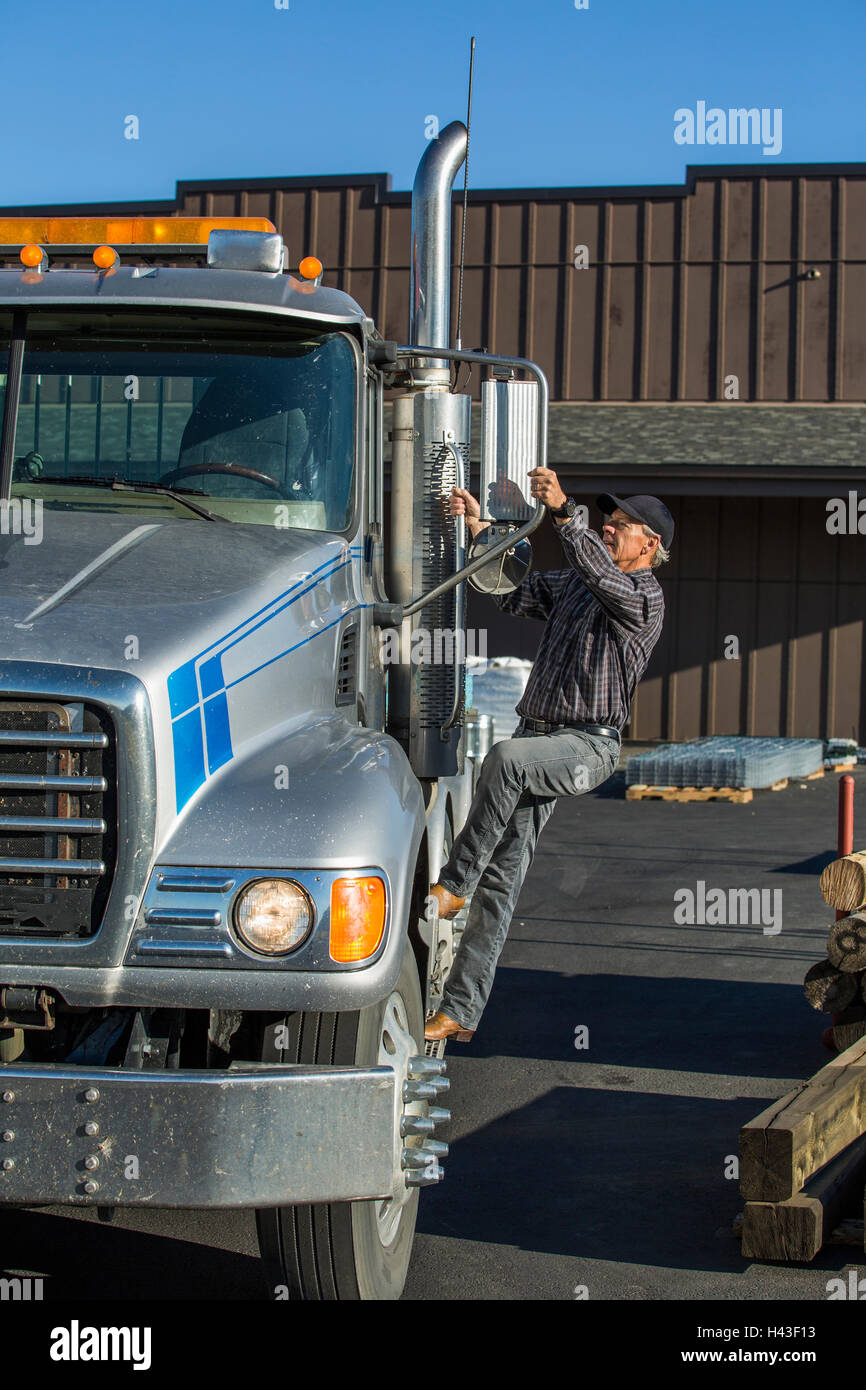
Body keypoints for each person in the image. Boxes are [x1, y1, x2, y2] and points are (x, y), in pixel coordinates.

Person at [424, 466, 673, 1043]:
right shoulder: (580, 584)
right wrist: (483, 530)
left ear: (649, 545)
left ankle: (454, 882)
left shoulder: (642, 597)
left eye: (620, 527)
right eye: (606, 524)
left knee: (506, 759)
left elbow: (594, 568)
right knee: (503, 881)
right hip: (542, 736)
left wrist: (565, 511)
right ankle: (460, 1010)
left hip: (589, 746)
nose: (609, 531)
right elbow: (514, 589)